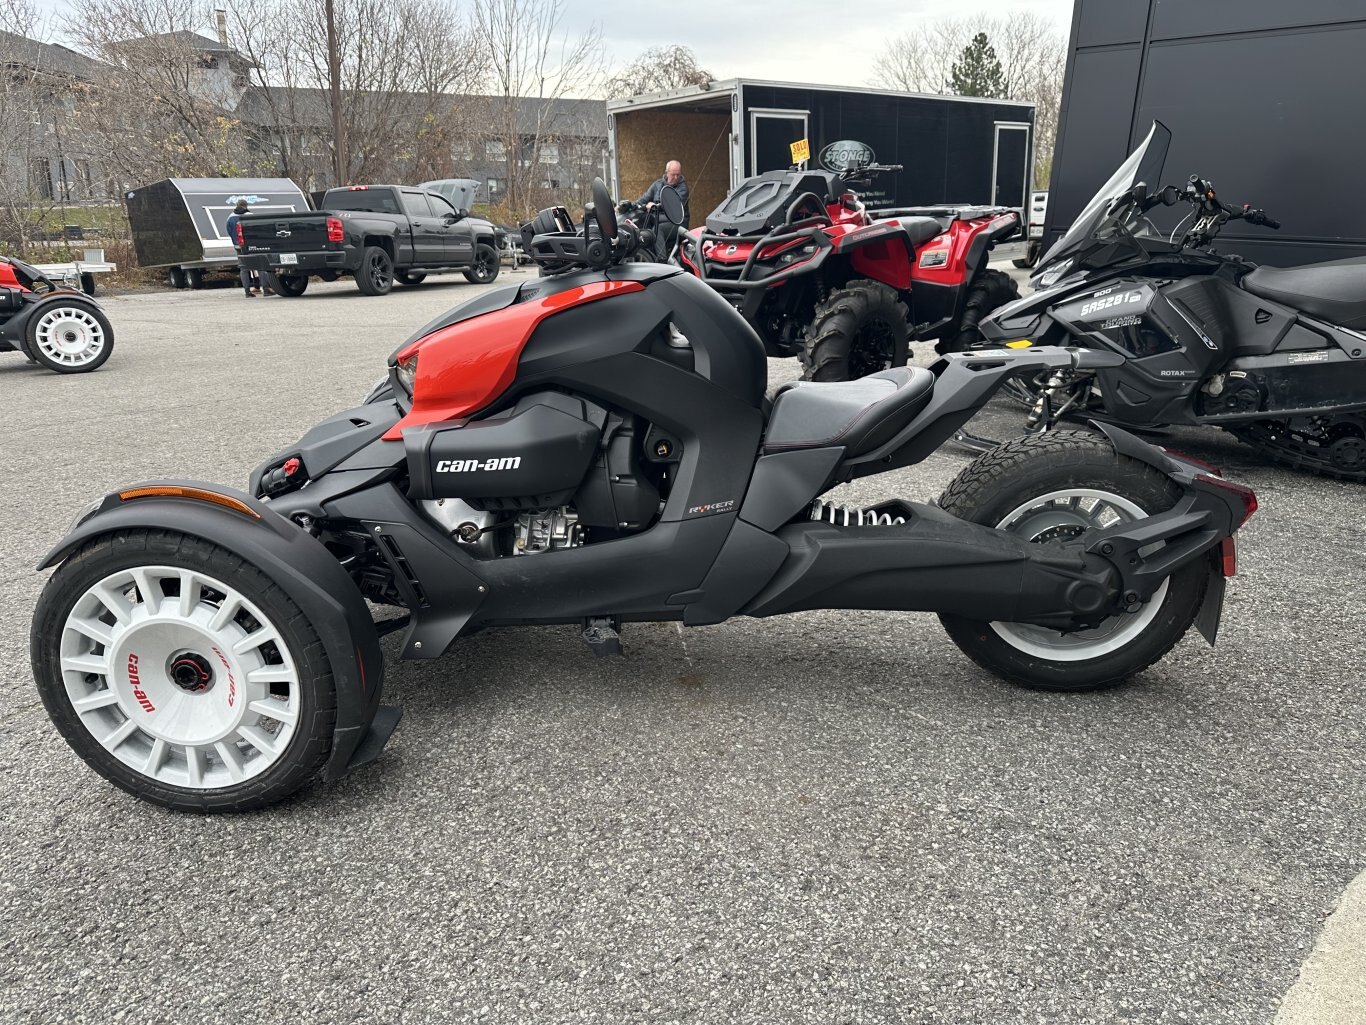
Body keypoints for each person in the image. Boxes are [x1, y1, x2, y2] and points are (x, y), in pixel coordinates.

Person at [634, 160, 689, 257]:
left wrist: (655, 207)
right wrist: (630, 206)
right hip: (660, 218)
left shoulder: (683, 188)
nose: (676, 177)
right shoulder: (657, 185)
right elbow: (643, 199)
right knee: (643, 220)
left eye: (678, 174)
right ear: (667, 172)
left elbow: (672, 206)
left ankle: (662, 260)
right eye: (673, 174)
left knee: (657, 229)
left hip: (678, 222)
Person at [226, 199, 273, 297]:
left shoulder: (230, 217)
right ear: (246, 206)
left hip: (238, 246)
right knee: (260, 266)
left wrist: (236, 241)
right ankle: (266, 289)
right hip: (252, 245)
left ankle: (247, 292)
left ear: (237, 205)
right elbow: (257, 230)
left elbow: (229, 231)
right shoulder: (250, 216)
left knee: (244, 268)